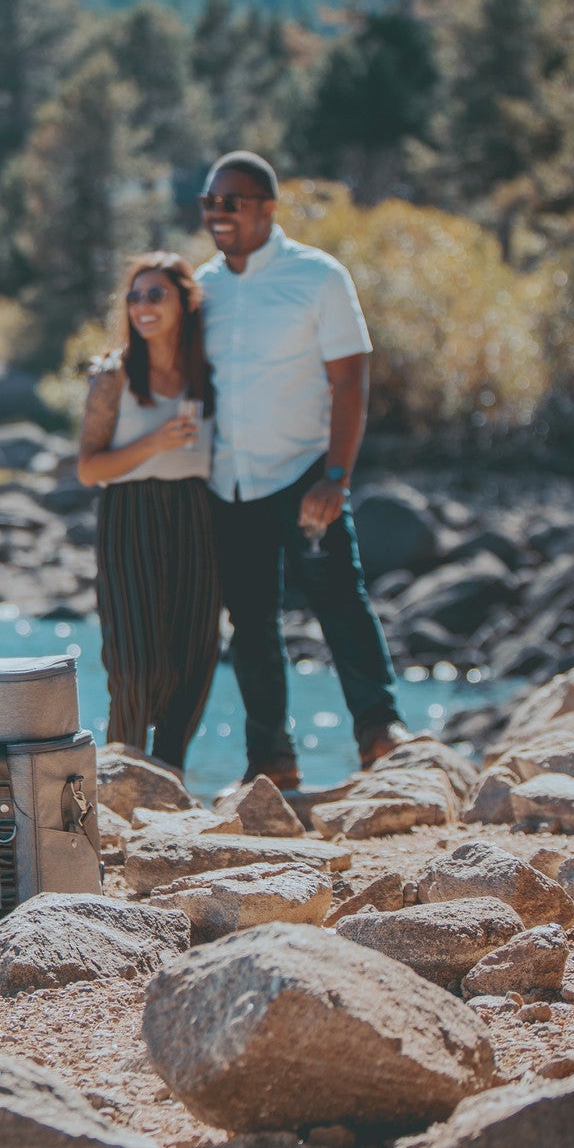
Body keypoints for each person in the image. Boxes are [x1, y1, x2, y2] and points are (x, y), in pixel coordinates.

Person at [196, 149, 410, 789]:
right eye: (209, 202)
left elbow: (350, 383)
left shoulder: (318, 276)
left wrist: (337, 477)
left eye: (230, 202)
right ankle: (271, 761)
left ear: (267, 207)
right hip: (226, 483)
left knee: (339, 599)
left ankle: (380, 730)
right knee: (251, 623)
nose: (217, 214)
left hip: (303, 475)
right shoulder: (200, 287)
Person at [77, 253, 220, 770]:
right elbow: (89, 469)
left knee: (195, 656)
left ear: (186, 300)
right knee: (135, 666)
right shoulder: (114, 374)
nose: (142, 306)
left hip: (197, 512)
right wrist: (154, 442)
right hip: (129, 513)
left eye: (155, 294)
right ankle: (123, 775)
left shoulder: (209, 369)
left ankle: (171, 776)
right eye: (134, 296)